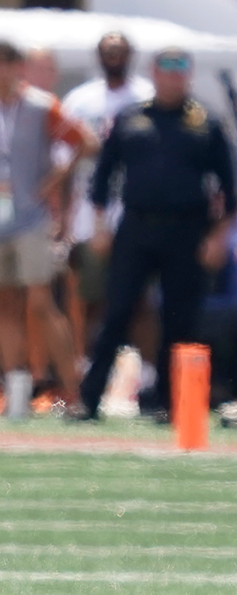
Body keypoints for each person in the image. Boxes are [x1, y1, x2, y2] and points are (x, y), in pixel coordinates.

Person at [73, 47, 235, 422]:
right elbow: (103, 177)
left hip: (187, 228)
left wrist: (217, 236)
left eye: (180, 71)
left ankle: (172, 403)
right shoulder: (131, 118)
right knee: (117, 311)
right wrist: (98, 226)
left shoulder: (204, 123)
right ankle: (89, 399)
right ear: (154, 74)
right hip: (136, 226)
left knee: (180, 318)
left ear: (188, 76)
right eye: (166, 70)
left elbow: (229, 187)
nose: (173, 78)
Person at [0, 41, 96, 419]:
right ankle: (16, 390)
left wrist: (52, 181)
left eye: (9, 63)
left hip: (31, 216)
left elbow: (85, 142)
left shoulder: (41, 105)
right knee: (2, 304)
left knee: (41, 302)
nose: (2, 70)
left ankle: (72, 390)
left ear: (18, 67)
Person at [61, 32, 156, 374]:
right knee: (92, 296)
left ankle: (146, 375)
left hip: (136, 207)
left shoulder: (147, 96)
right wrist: (62, 217)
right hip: (90, 209)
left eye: (120, 51)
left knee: (140, 298)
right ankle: (91, 371)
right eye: (107, 51)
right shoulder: (80, 100)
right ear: (98, 55)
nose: (114, 56)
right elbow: (63, 160)